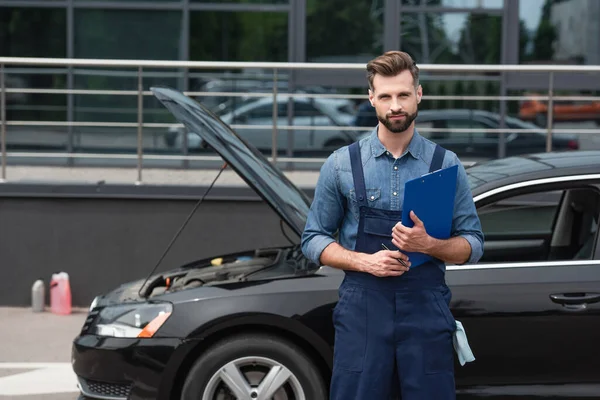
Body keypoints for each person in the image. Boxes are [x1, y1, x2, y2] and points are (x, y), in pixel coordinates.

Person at [301, 50, 484, 400]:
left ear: (418, 93)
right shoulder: (341, 164)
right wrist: (363, 261)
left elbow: (473, 244)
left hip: (425, 308)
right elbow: (313, 240)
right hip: (363, 310)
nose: (395, 105)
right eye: (385, 96)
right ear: (371, 99)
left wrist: (429, 245)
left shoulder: (446, 165)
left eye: (402, 94)